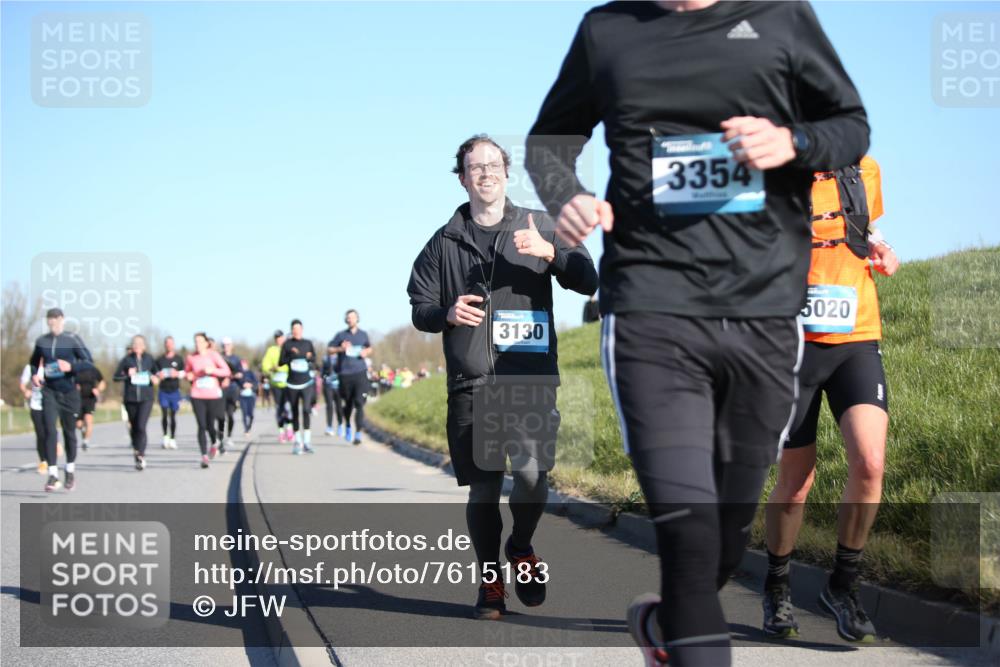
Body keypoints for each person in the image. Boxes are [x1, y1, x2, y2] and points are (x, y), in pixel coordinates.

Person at [525, 2, 869, 664]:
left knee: (726, 534)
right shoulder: (608, 28)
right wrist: (565, 193)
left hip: (765, 310)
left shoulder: (782, 17)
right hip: (650, 308)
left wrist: (793, 142)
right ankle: (687, 615)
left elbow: (850, 126)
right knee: (686, 538)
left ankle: (670, 620)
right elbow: (550, 140)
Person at [408, 134, 598, 620]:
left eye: (494, 165)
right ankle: (490, 583)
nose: (486, 173)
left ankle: (520, 545)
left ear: (506, 172)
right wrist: (445, 312)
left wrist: (551, 253)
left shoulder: (540, 225)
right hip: (473, 383)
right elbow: (421, 306)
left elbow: (588, 277)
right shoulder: (443, 243)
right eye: (476, 167)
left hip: (530, 379)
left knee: (534, 476)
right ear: (463, 177)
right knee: (485, 489)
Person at [762, 156, 898, 643]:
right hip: (792, 347)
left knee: (870, 462)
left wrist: (883, 250)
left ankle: (843, 584)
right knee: (796, 482)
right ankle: (777, 585)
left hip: (856, 335)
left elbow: (866, 230)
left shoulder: (865, 169)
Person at [29, 307, 95, 492]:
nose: (53, 323)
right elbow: (34, 362)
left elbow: (89, 362)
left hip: (69, 392)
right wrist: (35, 375)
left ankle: (70, 470)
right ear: (48, 322)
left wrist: (71, 367)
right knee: (50, 430)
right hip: (49, 391)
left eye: (56, 319)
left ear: (63, 320)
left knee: (69, 433)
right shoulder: (42, 341)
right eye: (50, 320)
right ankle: (52, 475)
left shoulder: (72, 339)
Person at [184, 332, 231, 468]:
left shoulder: (213, 355)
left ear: (206, 343)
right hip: (197, 395)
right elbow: (187, 373)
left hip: (212, 396)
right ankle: (204, 456)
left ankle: (215, 442)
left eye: (200, 341)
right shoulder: (191, 358)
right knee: (201, 425)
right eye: (196, 342)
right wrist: (190, 376)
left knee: (210, 425)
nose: (198, 344)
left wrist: (213, 370)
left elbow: (226, 371)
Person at [113, 334, 160, 470]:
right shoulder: (127, 360)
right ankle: (136, 449)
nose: (137, 346)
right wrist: (127, 374)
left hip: (146, 398)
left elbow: (157, 374)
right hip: (130, 398)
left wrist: (155, 378)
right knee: (134, 427)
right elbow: (116, 377)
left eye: (140, 344)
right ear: (132, 347)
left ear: (144, 346)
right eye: (135, 344)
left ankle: (141, 455)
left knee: (141, 426)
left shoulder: (149, 359)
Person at [329, 310, 373, 445]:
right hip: (345, 374)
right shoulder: (341, 335)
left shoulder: (363, 334)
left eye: (352, 317)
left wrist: (366, 352)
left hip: (360, 372)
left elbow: (369, 348)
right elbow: (329, 349)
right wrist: (340, 349)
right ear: (346, 320)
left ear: (357, 319)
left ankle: (358, 433)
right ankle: (348, 424)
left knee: (359, 403)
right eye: (348, 318)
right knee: (348, 404)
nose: (350, 320)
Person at [279, 319, 317, 454]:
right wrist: (290, 355)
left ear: (302, 329)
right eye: (294, 329)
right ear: (291, 330)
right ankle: (297, 441)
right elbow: (280, 362)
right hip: (292, 383)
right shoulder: (287, 344)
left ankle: (307, 441)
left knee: (306, 410)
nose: (296, 331)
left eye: (298, 328)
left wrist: (309, 357)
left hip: (306, 382)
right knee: (294, 411)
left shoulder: (308, 343)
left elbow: (314, 359)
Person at [262, 330, 293, 443]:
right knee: (279, 408)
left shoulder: (288, 348)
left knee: (288, 407)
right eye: (277, 338)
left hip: (288, 383)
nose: (279, 340)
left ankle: (289, 429)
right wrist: (271, 369)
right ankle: (281, 432)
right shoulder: (271, 350)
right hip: (276, 383)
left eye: (280, 337)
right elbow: (265, 365)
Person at [155, 335, 185, 450]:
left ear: (173, 345)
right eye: (167, 343)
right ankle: (165, 437)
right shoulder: (159, 360)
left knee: (173, 415)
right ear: (165, 345)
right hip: (163, 390)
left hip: (174, 391)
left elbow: (184, 372)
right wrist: (159, 375)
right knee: (164, 414)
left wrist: (177, 374)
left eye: (171, 343)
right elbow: (155, 373)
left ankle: (172, 438)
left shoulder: (178, 359)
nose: (169, 345)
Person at [20, 363, 48, 475]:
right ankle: (43, 462)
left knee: (50, 431)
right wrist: (25, 391)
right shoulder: (31, 367)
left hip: (50, 404)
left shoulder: (51, 366)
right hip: (36, 404)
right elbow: (22, 383)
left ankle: (55, 444)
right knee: (40, 434)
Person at [217, 337, 244, 452]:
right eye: (224, 345)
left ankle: (229, 436)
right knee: (220, 416)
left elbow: (241, 374)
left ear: (231, 346)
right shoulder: (219, 357)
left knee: (230, 415)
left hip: (233, 389)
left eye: (228, 345)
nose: (226, 347)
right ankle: (220, 438)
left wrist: (236, 376)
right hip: (221, 389)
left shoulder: (236, 359)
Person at [75, 364, 105, 450]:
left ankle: (86, 442)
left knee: (88, 419)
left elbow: (102, 381)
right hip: (78, 398)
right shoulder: (75, 369)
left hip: (90, 398)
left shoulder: (93, 369)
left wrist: (98, 389)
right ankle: (83, 430)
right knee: (78, 424)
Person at [321, 347, 345, 437]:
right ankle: (329, 427)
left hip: (339, 386)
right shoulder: (325, 359)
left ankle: (340, 425)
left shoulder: (341, 358)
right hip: (328, 385)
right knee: (329, 406)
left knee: (339, 406)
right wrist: (324, 377)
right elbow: (322, 372)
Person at [238, 358, 259, 437]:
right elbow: (237, 383)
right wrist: (242, 385)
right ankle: (246, 429)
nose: (243, 366)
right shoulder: (239, 374)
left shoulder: (251, 373)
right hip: (242, 396)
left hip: (251, 396)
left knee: (250, 414)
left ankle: (249, 427)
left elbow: (256, 383)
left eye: (244, 364)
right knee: (244, 413)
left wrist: (251, 385)